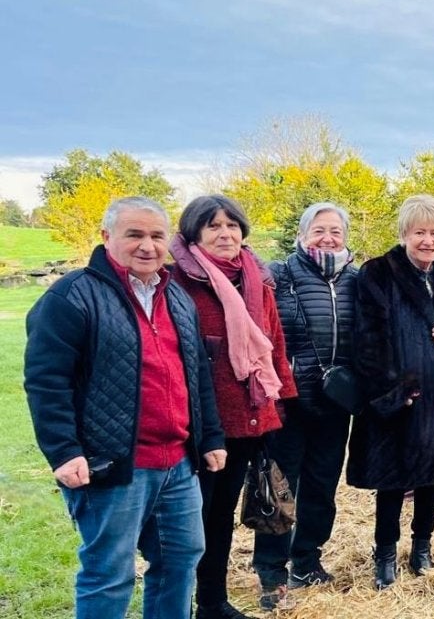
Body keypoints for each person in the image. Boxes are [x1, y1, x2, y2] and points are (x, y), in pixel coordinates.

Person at [24, 197, 226, 619]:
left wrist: (209, 438)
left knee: (180, 561)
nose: (147, 246)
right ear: (106, 237)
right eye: (134, 234)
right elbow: (46, 381)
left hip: (177, 464)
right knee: (110, 573)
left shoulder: (176, 298)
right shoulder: (72, 296)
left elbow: (197, 376)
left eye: (156, 236)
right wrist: (64, 451)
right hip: (112, 464)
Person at [168, 194, 296, 619]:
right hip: (199, 421)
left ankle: (211, 600)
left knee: (221, 515)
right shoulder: (177, 282)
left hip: (247, 416)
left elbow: (274, 343)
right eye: (213, 227)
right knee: (190, 520)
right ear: (194, 235)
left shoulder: (256, 279)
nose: (226, 234)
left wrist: (280, 403)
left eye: (232, 226)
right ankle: (176, 602)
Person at [346, 195, 434, 590]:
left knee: (431, 478)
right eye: (420, 232)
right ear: (405, 233)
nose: (428, 240)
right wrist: (394, 391)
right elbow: (367, 341)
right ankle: (384, 555)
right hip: (397, 398)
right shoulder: (377, 274)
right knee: (392, 482)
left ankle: (422, 549)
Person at [251, 203, 359, 599]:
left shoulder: (355, 279)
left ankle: (308, 560)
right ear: (302, 234)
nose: (328, 237)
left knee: (321, 486)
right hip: (289, 403)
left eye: (335, 230)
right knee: (279, 488)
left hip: (335, 404)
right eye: (319, 230)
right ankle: (271, 570)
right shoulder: (278, 275)